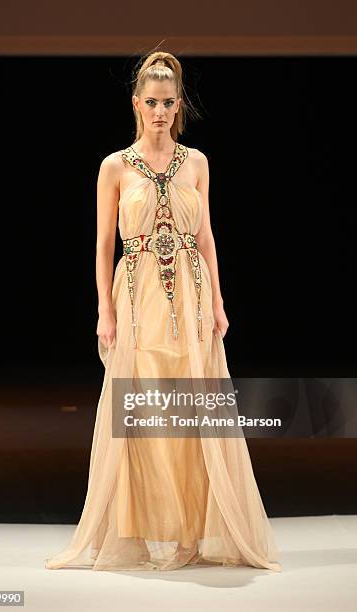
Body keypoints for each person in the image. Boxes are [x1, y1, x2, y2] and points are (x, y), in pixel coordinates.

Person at [45, 50, 281, 572]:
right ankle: (148, 531)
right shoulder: (114, 167)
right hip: (136, 296)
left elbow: (206, 235)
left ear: (179, 106)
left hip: (192, 297)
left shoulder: (196, 162)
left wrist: (218, 300)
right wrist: (103, 309)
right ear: (136, 103)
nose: (159, 111)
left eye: (168, 102)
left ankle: (190, 536)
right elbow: (103, 244)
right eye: (150, 101)